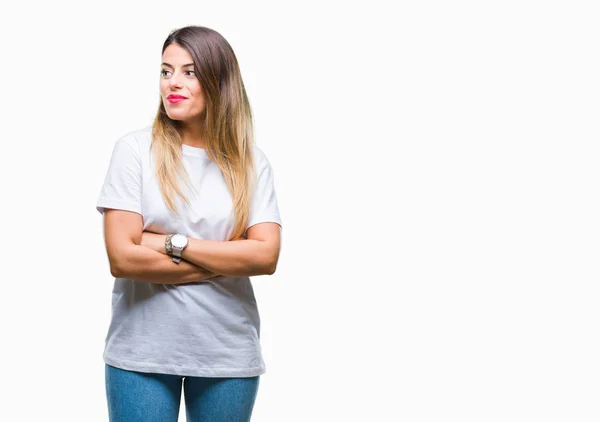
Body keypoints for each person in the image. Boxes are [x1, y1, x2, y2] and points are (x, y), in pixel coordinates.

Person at [96, 25, 282, 422]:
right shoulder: (134, 151)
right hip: (141, 352)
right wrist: (228, 259)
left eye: (189, 72)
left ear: (219, 81)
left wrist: (166, 243)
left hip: (227, 353)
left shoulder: (251, 162)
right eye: (166, 71)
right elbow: (122, 259)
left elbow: (265, 256)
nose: (172, 83)